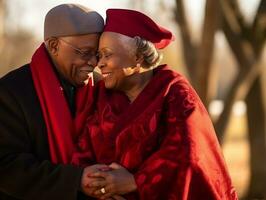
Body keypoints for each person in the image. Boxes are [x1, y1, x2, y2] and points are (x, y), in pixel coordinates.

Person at [75, 9, 239, 200]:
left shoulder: (176, 94)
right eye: (99, 55)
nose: (99, 64)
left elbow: (191, 156)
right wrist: (99, 183)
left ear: (137, 57)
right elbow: (82, 151)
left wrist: (135, 182)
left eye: (107, 55)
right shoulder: (101, 96)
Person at [0, 4, 112, 200]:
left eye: (98, 54)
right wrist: (75, 180)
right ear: (54, 46)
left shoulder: (104, 87)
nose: (94, 63)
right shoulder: (11, 92)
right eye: (85, 52)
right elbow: (6, 166)